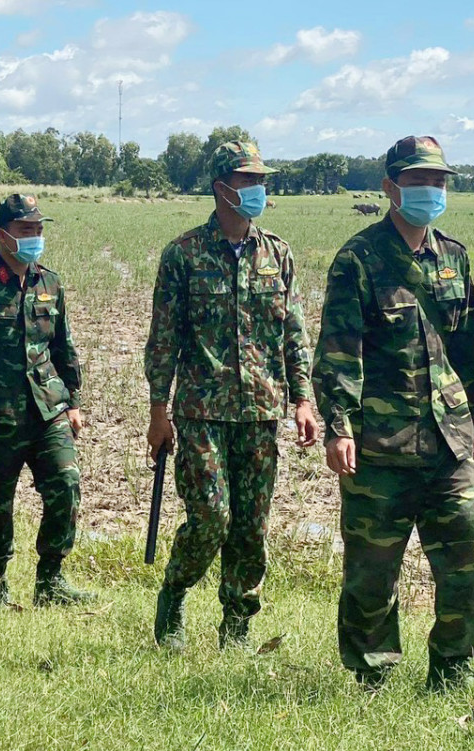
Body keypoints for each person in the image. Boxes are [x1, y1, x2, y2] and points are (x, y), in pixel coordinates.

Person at [312, 136, 474, 694]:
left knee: (470, 558)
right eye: (418, 180)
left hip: (447, 440)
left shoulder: (454, 257)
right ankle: (372, 673)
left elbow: (467, 347)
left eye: (438, 181)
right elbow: (338, 350)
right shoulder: (359, 259)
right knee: (372, 572)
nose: (430, 190)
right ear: (390, 187)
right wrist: (339, 426)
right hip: (379, 445)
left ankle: (454, 667)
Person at [145, 140, 318, 651]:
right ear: (221, 187)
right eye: (248, 181)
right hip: (201, 411)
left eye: (261, 180)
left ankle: (237, 625)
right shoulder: (183, 254)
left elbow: (293, 332)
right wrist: (159, 411)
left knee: (250, 526)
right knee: (212, 516)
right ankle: (174, 596)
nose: (258, 190)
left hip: (261, 412)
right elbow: (164, 338)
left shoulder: (277, 254)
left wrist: (302, 399)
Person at [0, 193, 93, 607]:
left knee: (66, 485)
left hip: (48, 408)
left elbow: (64, 346)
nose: (35, 237)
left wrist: (75, 401)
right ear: (2, 234)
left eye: (39, 229)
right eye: (26, 230)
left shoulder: (50, 282)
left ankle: (50, 580)